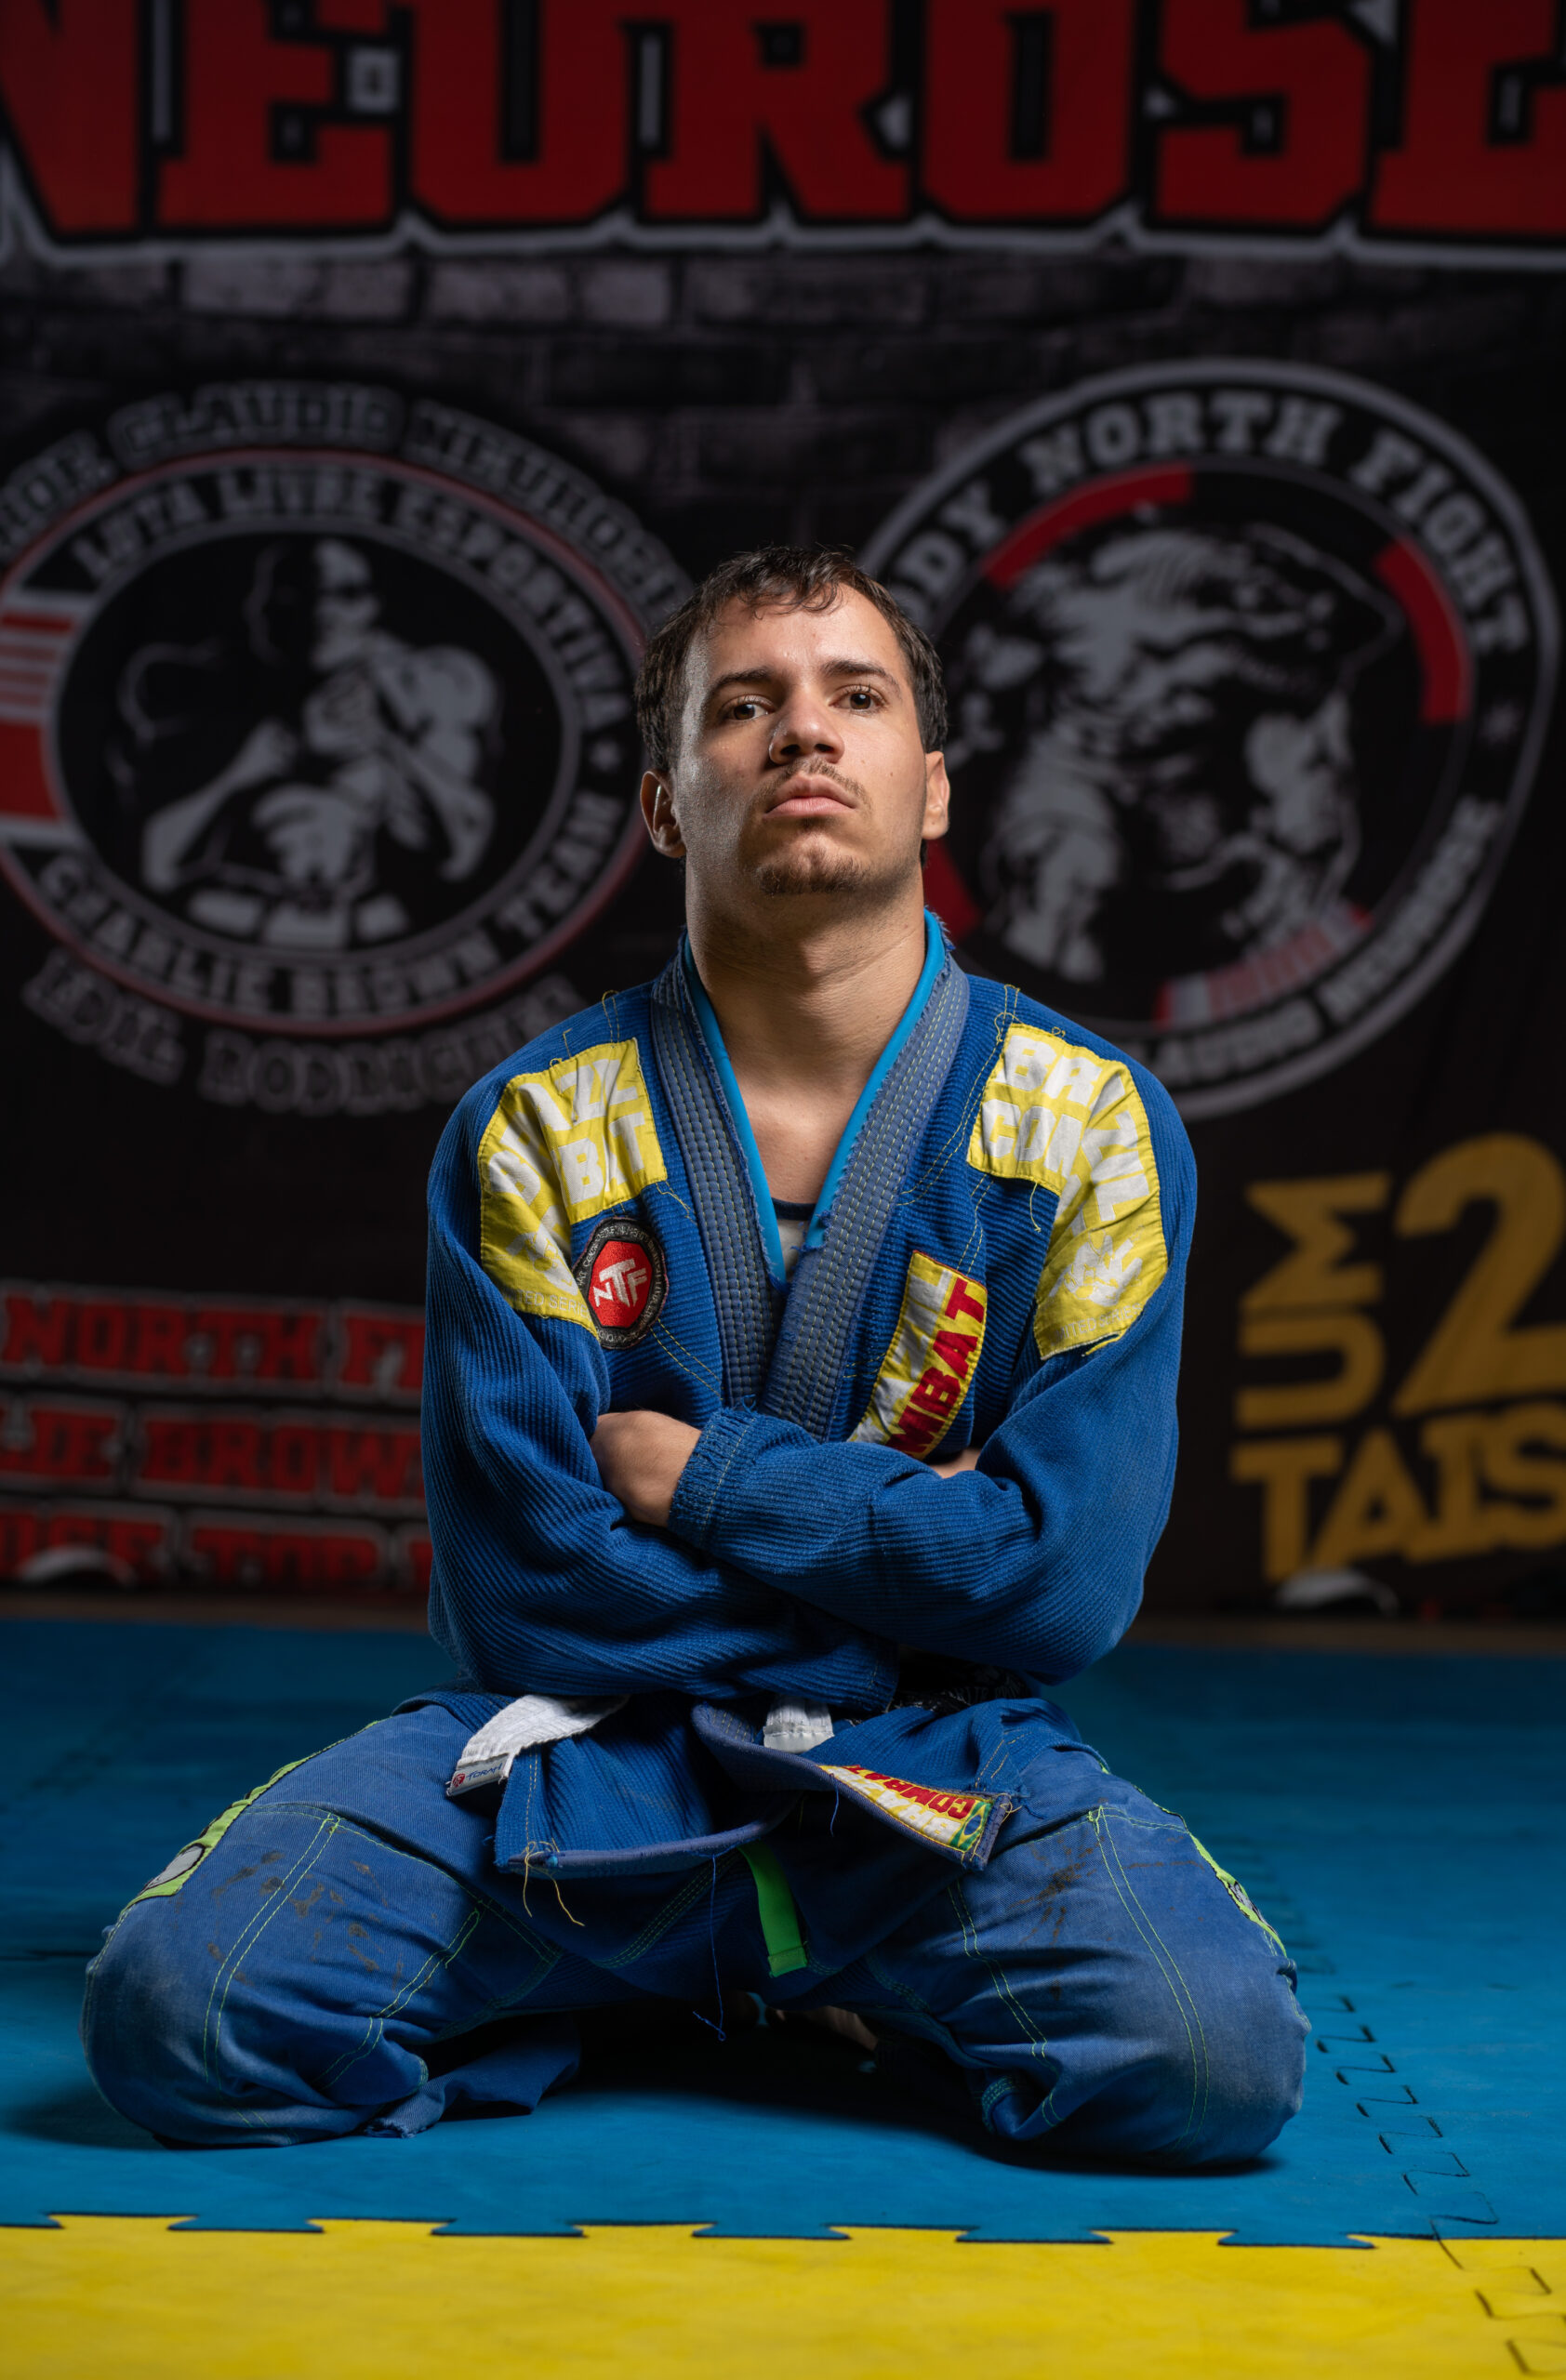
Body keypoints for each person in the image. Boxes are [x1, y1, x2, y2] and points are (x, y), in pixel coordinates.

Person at [81, 549, 1307, 2161]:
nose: (806, 731)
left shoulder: (1089, 1128)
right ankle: (684, 1981)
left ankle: (731, 1975)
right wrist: (922, 1550)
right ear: (666, 806)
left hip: (925, 1780)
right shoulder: (538, 1126)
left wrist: (705, 1477)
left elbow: (1060, 1586)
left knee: (1212, 2057)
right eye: (745, 706)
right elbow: (522, 1589)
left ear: (934, 787)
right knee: (179, 2009)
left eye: (857, 696)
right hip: (583, 1767)